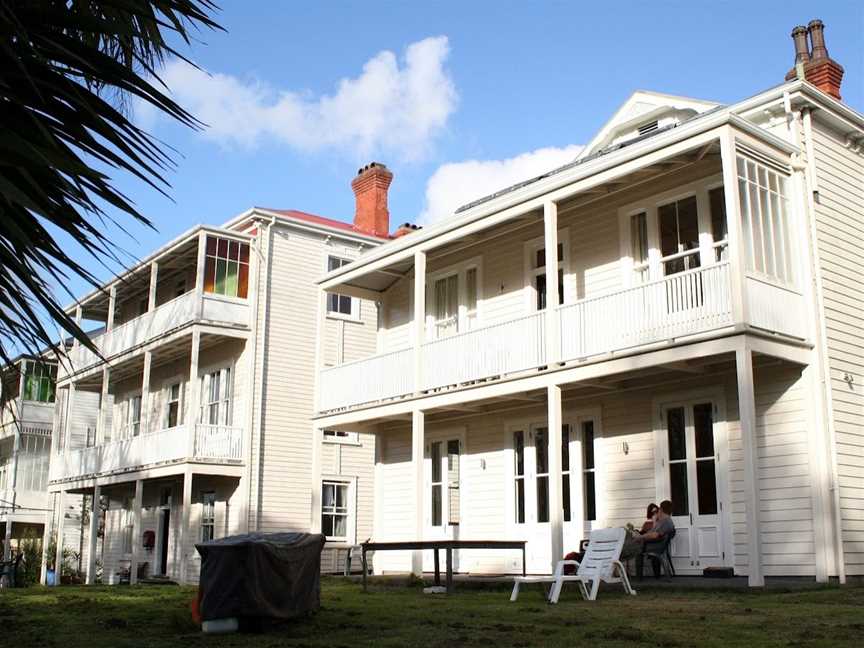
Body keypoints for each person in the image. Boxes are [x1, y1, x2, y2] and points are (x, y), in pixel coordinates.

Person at [635, 500, 675, 578]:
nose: (658, 510)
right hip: (655, 544)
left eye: (659, 508)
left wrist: (640, 537)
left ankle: (638, 579)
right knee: (634, 542)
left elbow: (654, 535)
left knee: (637, 549)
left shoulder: (665, 521)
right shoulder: (663, 521)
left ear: (662, 509)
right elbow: (652, 532)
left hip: (655, 546)